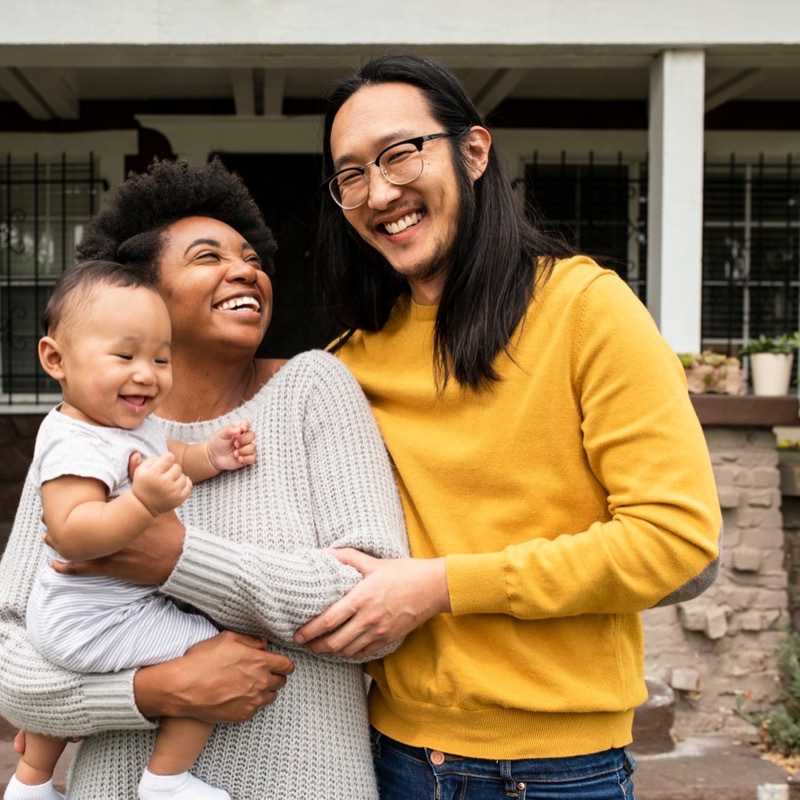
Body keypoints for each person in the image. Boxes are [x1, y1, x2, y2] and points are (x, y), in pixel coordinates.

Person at [294, 53, 723, 799]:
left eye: (400, 153)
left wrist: (441, 586)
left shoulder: (587, 309)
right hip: (390, 754)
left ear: (474, 151)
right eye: (351, 174)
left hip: (559, 770)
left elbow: (674, 538)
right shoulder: (347, 365)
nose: (379, 191)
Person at [0, 158, 410, 800]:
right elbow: (5, 656)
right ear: (142, 294)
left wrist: (175, 560)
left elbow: (377, 609)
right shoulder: (88, 433)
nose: (246, 271)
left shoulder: (314, 389)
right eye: (208, 256)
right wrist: (155, 691)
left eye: (251, 258)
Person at [6, 260, 257, 800]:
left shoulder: (124, 427)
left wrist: (209, 455)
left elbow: (170, 457)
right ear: (56, 359)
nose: (147, 373)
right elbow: (71, 533)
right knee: (208, 652)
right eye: (125, 356)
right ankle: (166, 781)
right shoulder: (70, 440)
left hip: (86, 613)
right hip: (92, 616)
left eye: (161, 359)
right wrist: (143, 503)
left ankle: (29, 786)